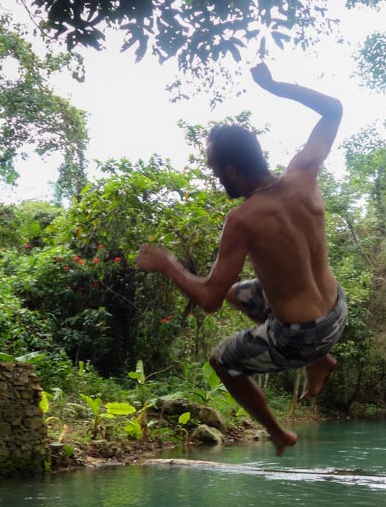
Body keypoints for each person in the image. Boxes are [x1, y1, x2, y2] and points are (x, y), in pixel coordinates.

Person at [135, 62, 347, 455]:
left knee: (222, 362)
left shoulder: (243, 219)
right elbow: (334, 109)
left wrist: (168, 265)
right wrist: (274, 86)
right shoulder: (303, 174)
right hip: (337, 310)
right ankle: (323, 360)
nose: (217, 179)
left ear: (232, 170)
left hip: (301, 336)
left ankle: (278, 432)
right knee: (238, 292)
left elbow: (208, 300)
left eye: (217, 171)